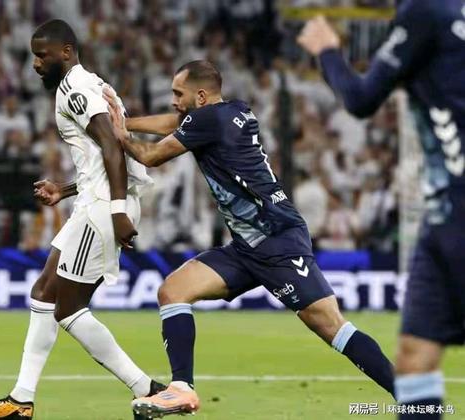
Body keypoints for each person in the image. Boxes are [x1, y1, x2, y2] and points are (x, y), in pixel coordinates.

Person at [102, 60, 395, 418]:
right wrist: (127, 121)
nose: (173, 100)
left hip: (277, 239)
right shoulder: (234, 110)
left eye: (179, 94)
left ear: (201, 96)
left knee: (332, 327)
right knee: (173, 291)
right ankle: (181, 389)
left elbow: (150, 156)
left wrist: (120, 135)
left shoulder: (207, 120)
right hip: (246, 247)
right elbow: (176, 122)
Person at [0, 19, 163, 420]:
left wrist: (117, 212)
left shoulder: (75, 90)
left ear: (66, 52)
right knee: (44, 292)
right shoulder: (90, 84)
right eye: (33, 56)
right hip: (95, 200)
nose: (36, 64)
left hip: (103, 207)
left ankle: (147, 390)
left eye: (42, 55)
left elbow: (112, 147)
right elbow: (101, 157)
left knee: (69, 310)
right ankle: (21, 399)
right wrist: (65, 189)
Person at [297, 1, 465, 418]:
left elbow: (360, 99)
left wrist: (327, 50)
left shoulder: (427, 9)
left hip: (458, 213)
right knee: (413, 358)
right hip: (443, 216)